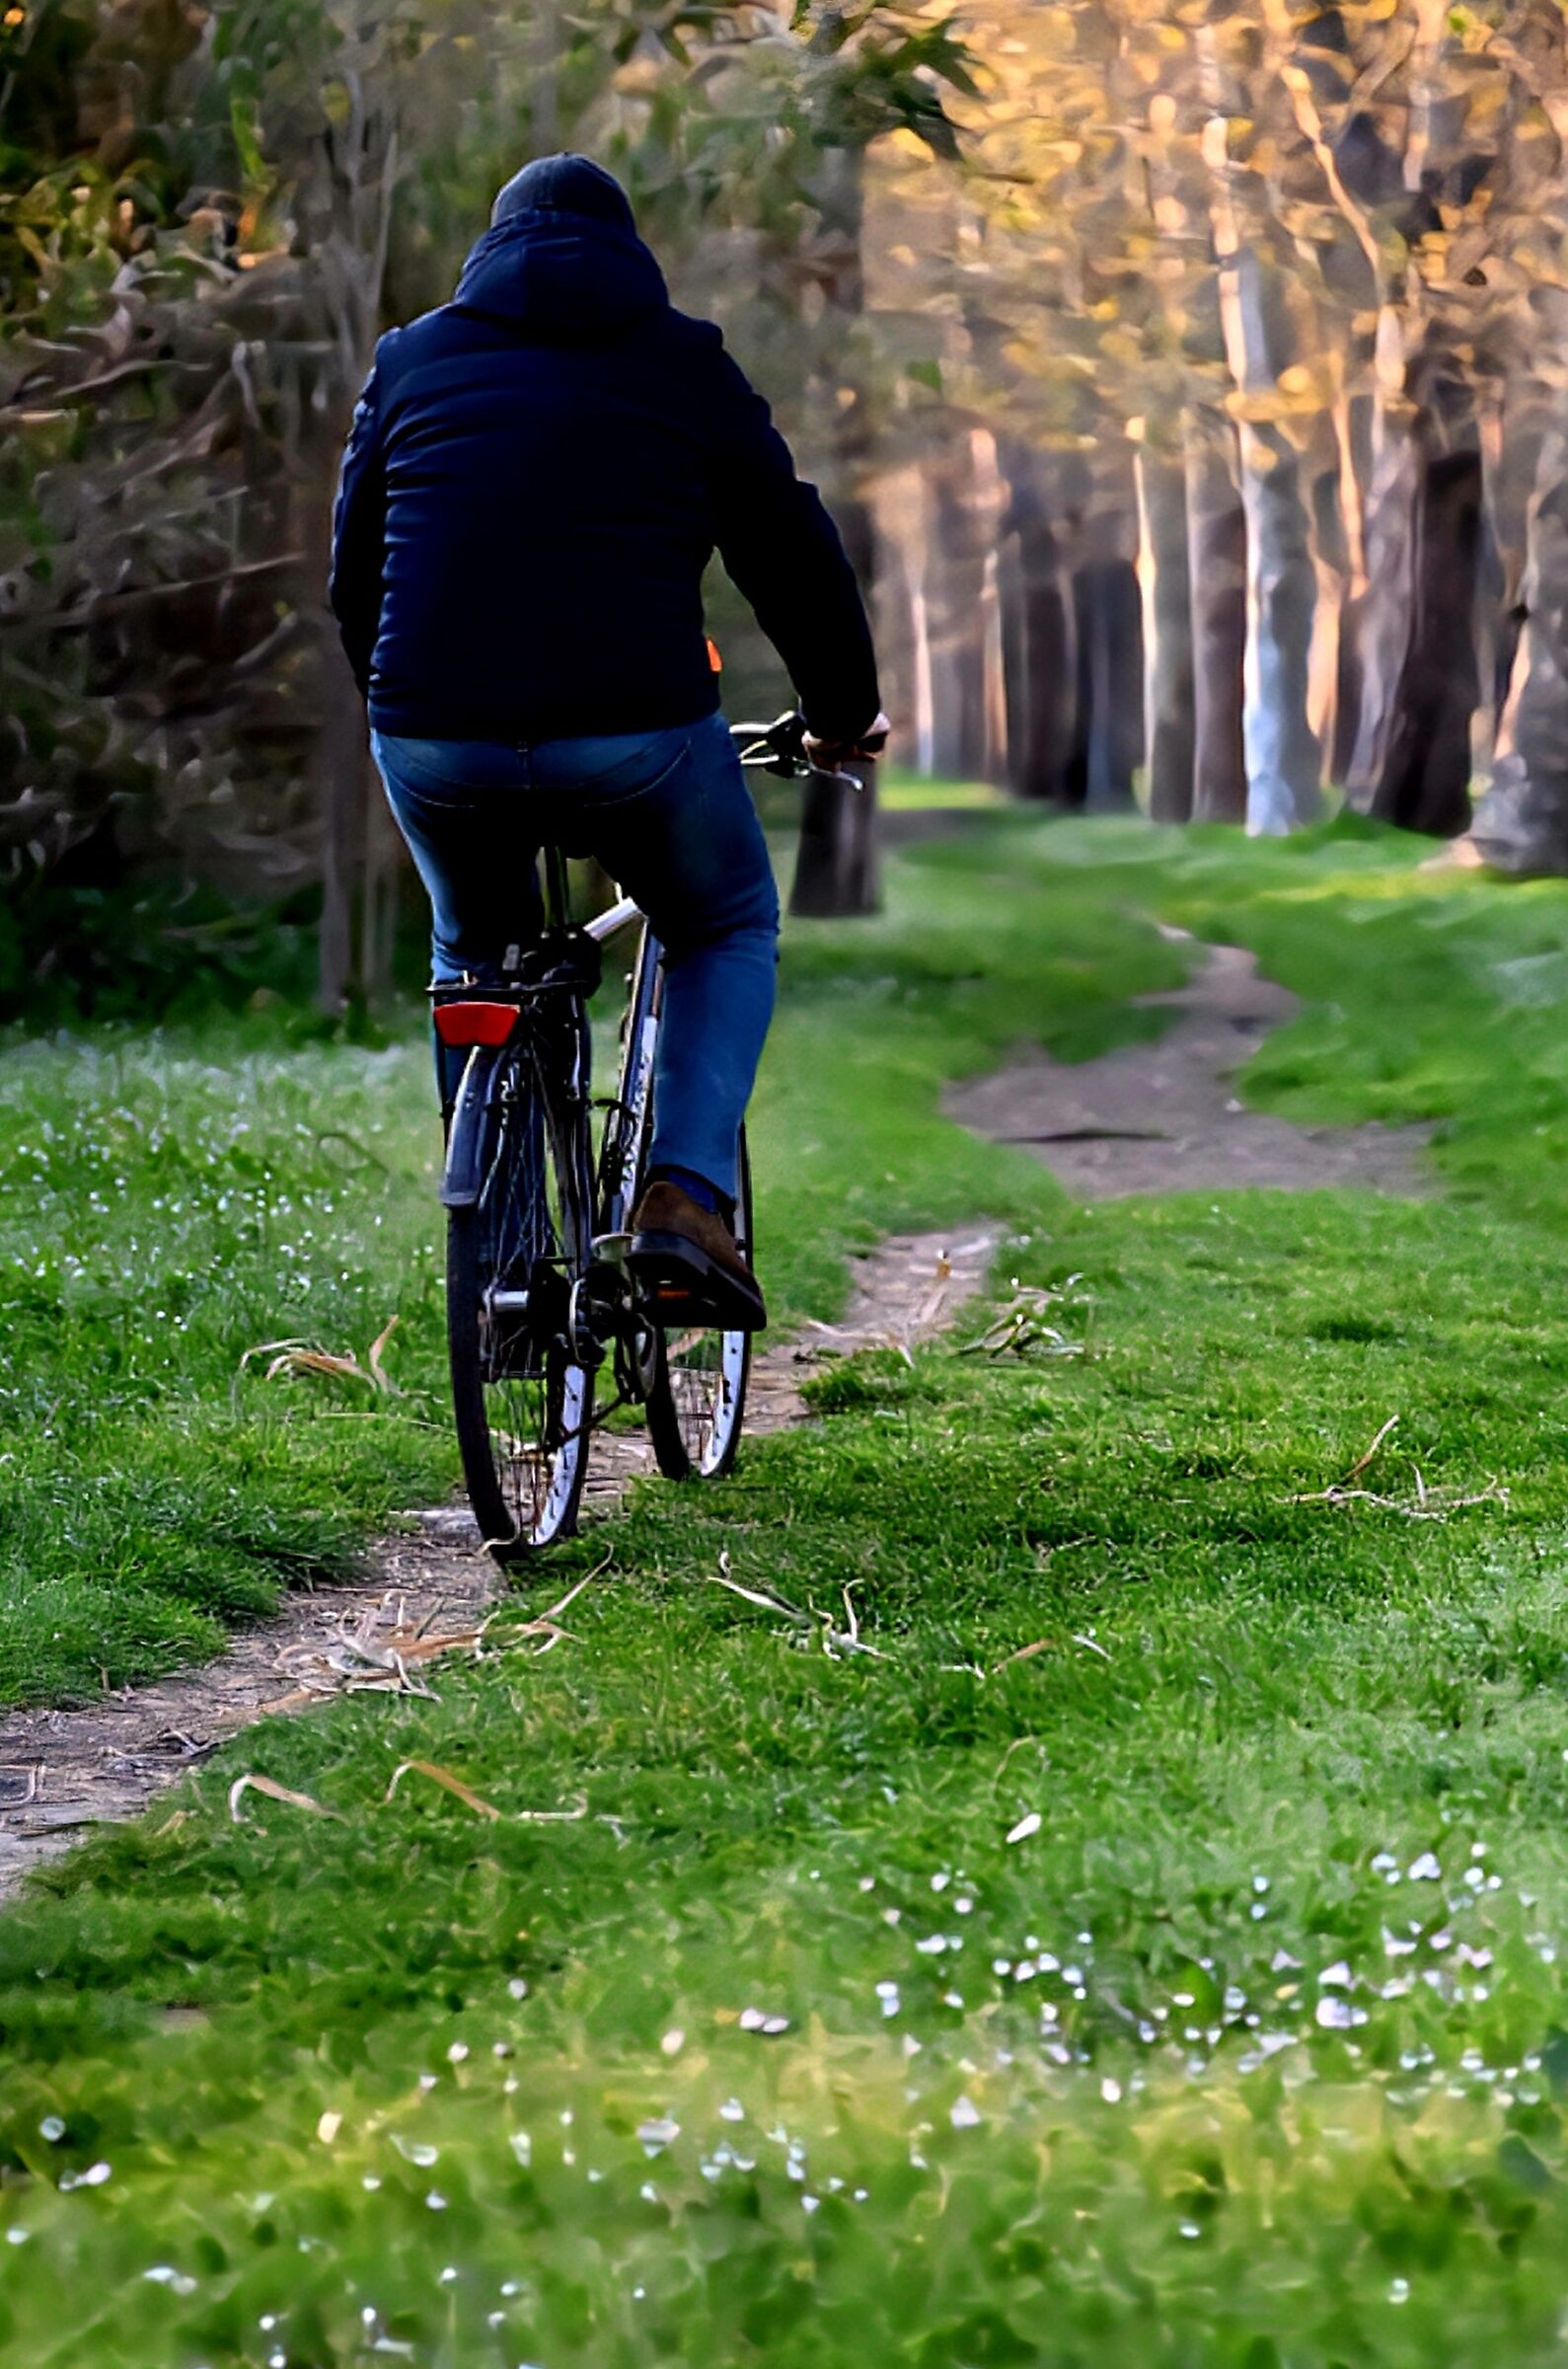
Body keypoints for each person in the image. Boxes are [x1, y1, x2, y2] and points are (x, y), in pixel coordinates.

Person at [329, 152, 886, 1330]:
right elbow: (790, 549)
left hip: (431, 732)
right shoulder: (681, 361)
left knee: (471, 954)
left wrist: (402, 702)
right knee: (722, 920)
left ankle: (501, 1277)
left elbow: (354, 571)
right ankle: (683, 1198)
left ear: (487, 251)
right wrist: (839, 713)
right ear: (631, 252)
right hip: (636, 733)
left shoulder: (411, 359)